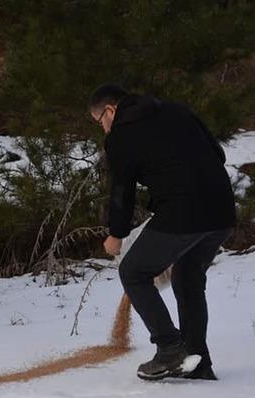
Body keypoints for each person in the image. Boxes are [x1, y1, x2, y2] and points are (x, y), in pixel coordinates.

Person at [89, 84, 236, 381]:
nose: (103, 130)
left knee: (133, 272)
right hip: (222, 209)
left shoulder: (121, 134)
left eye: (100, 122)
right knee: (187, 277)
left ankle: (169, 348)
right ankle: (198, 363)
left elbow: (122, 191)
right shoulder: (175, 110)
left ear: (111, 110)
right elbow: (217, 153)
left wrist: (116, 235)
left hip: (184, 212)